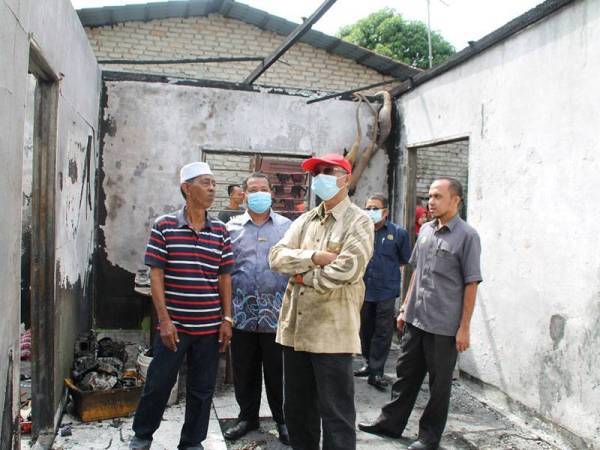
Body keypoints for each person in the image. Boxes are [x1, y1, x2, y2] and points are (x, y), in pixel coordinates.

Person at [358, 177, 482, 450]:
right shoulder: (425, 229)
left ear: (455, 200)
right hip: (416, 319)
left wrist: (464, 327)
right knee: (405, 375)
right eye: (430, 196)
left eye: (438, 196)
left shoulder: (467, 236)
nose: (431, 202)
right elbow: (415, 272)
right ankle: (390, 423)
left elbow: (471, 283)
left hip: (444, 326)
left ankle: (429, 437)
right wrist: (404, 308)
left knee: (439, 387)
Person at [269, 153, 374, 450]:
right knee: (298, 411)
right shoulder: (305, 220)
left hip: (332, 333)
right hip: (295, 332)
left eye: (329, 171)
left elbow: (348, 269)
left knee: (336, 414)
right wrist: (313, 257)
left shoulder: (359, 221)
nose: (322, 177)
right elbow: (276, 257)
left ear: (346, 178)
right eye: (318, 172)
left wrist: (302, 277)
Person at [130, 162, 234, 450]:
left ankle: (191, 442)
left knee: (202, 390)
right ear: (187, 188)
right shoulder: (165, 225)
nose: (212, 188)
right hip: (175, 327)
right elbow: (156, 275)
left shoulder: (221, 231)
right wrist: (164, 320)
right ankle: (142, 436)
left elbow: (225, 277)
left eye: (214, 183)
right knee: (158, 384)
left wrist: (227, 319)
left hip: (210, 327)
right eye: (205, 182)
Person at [223, 172, 291, 445]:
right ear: (244, 194)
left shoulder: (288, 227)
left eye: (264, 188)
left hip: (278, 316)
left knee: (279, 373)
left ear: (271, 193)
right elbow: (224, 271)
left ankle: (283, 420)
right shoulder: (231, 228)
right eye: (253, 189)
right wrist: (225, 313)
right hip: (242, 314)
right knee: (245, 371)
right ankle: (246, 417)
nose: (259, 193)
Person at [356, 193, 411, 391]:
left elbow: (404, 259)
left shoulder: (398, 233)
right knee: (365, 328)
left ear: (385, 211)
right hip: (363, 288)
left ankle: (377, 370)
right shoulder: (360, 231)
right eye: (368, 208)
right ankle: (368, 363)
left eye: (375, 208)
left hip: (386, 289)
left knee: (382, 331)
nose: (370, 212)